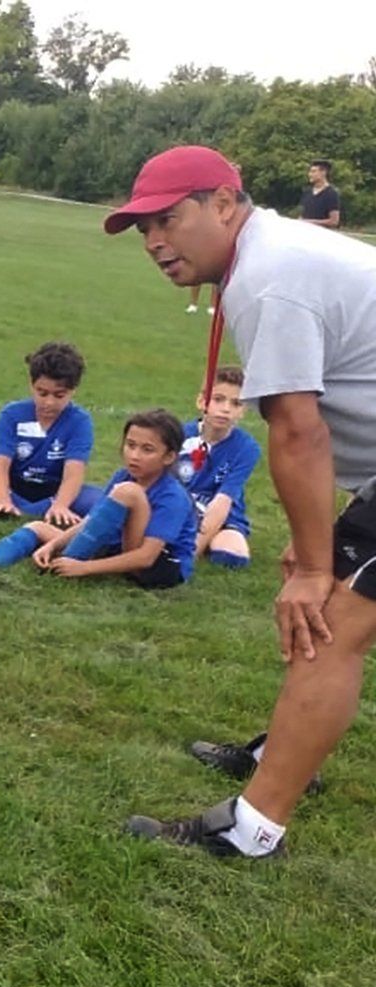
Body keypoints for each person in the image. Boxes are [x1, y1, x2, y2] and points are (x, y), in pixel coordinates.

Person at [104, 145, 376, 856]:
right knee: (323, 618)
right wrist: (315, 544)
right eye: (144, 231)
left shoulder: (267, 276)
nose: (155, 243)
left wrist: (320, 562)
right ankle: (282, 754)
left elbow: (297, 430)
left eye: (167, 220)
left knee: (331, 624)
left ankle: (254, 831)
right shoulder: (263, 260)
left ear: (224, 203)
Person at [0, 410, 198, 591]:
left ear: (169, 457)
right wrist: (52, 544)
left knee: (129, 493)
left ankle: (70, 561)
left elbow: (146, 558)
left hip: (160, 565)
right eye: (130, 445)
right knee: (39, 527)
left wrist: (83, 568)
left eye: (147, 449)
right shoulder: (123, 475)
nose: (134, 455)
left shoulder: (173, 496)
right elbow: (93, 519)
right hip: (121, 547)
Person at [0, 342, 102, 524]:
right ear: (31, 385)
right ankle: (21, 510)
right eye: (42, 393)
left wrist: (61, 504)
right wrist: (3, 499)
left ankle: (28, 512)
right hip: (14, 486)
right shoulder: (12, 414)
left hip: (55, 490)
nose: (49, 402)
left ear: (73, 391)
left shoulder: (80, 421)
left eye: (59, 395)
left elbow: (75, 470)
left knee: (98, 500)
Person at [179, 365, 261, 568]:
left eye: (236, 403)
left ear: (243, 410)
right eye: (218, 399)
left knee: (232, 556)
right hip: (181, 507)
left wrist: (193, 551)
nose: (226, 409)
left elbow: (223, 501)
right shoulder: (178, 435)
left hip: (222, 515)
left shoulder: (247, 448)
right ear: (201, 401)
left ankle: (204, 540)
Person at [300, 159, 341, 230]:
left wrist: (308, 222)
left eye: (313, 171)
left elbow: (334, 221)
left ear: (323, 172)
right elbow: (303, 214)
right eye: (310, 171)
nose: (310, 174)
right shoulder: (307, 192)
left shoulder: (331, 193)